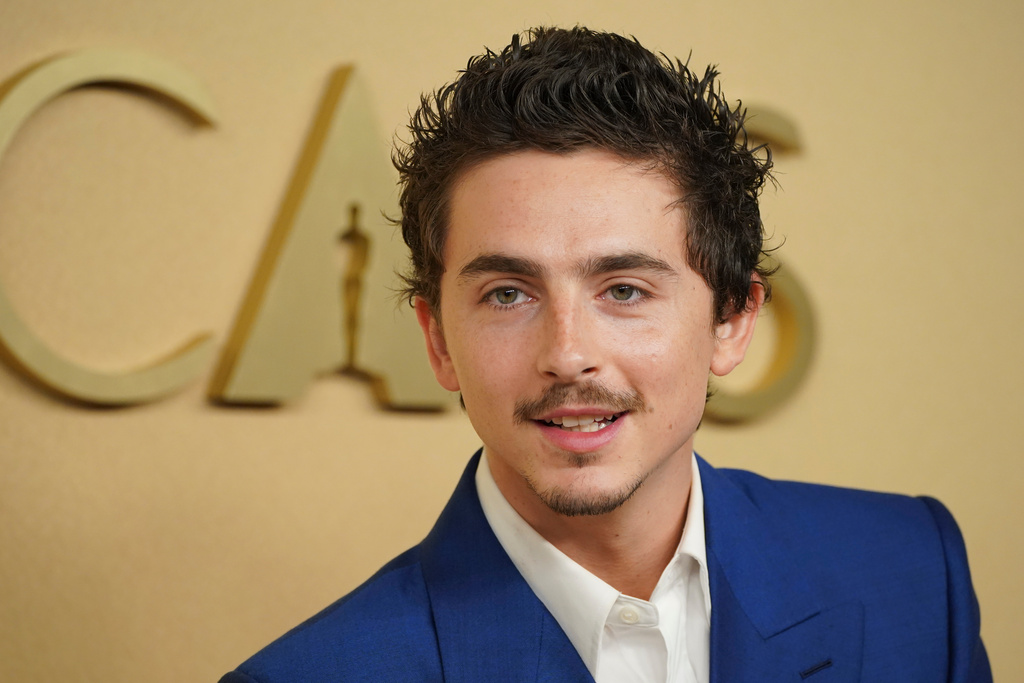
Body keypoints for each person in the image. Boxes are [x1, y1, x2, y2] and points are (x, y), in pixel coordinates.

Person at [219, 27, 991, 682]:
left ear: (731, 320)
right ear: (436, 340)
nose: (568, 354)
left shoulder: (914, 573)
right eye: (508, 294)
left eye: (623, 289)